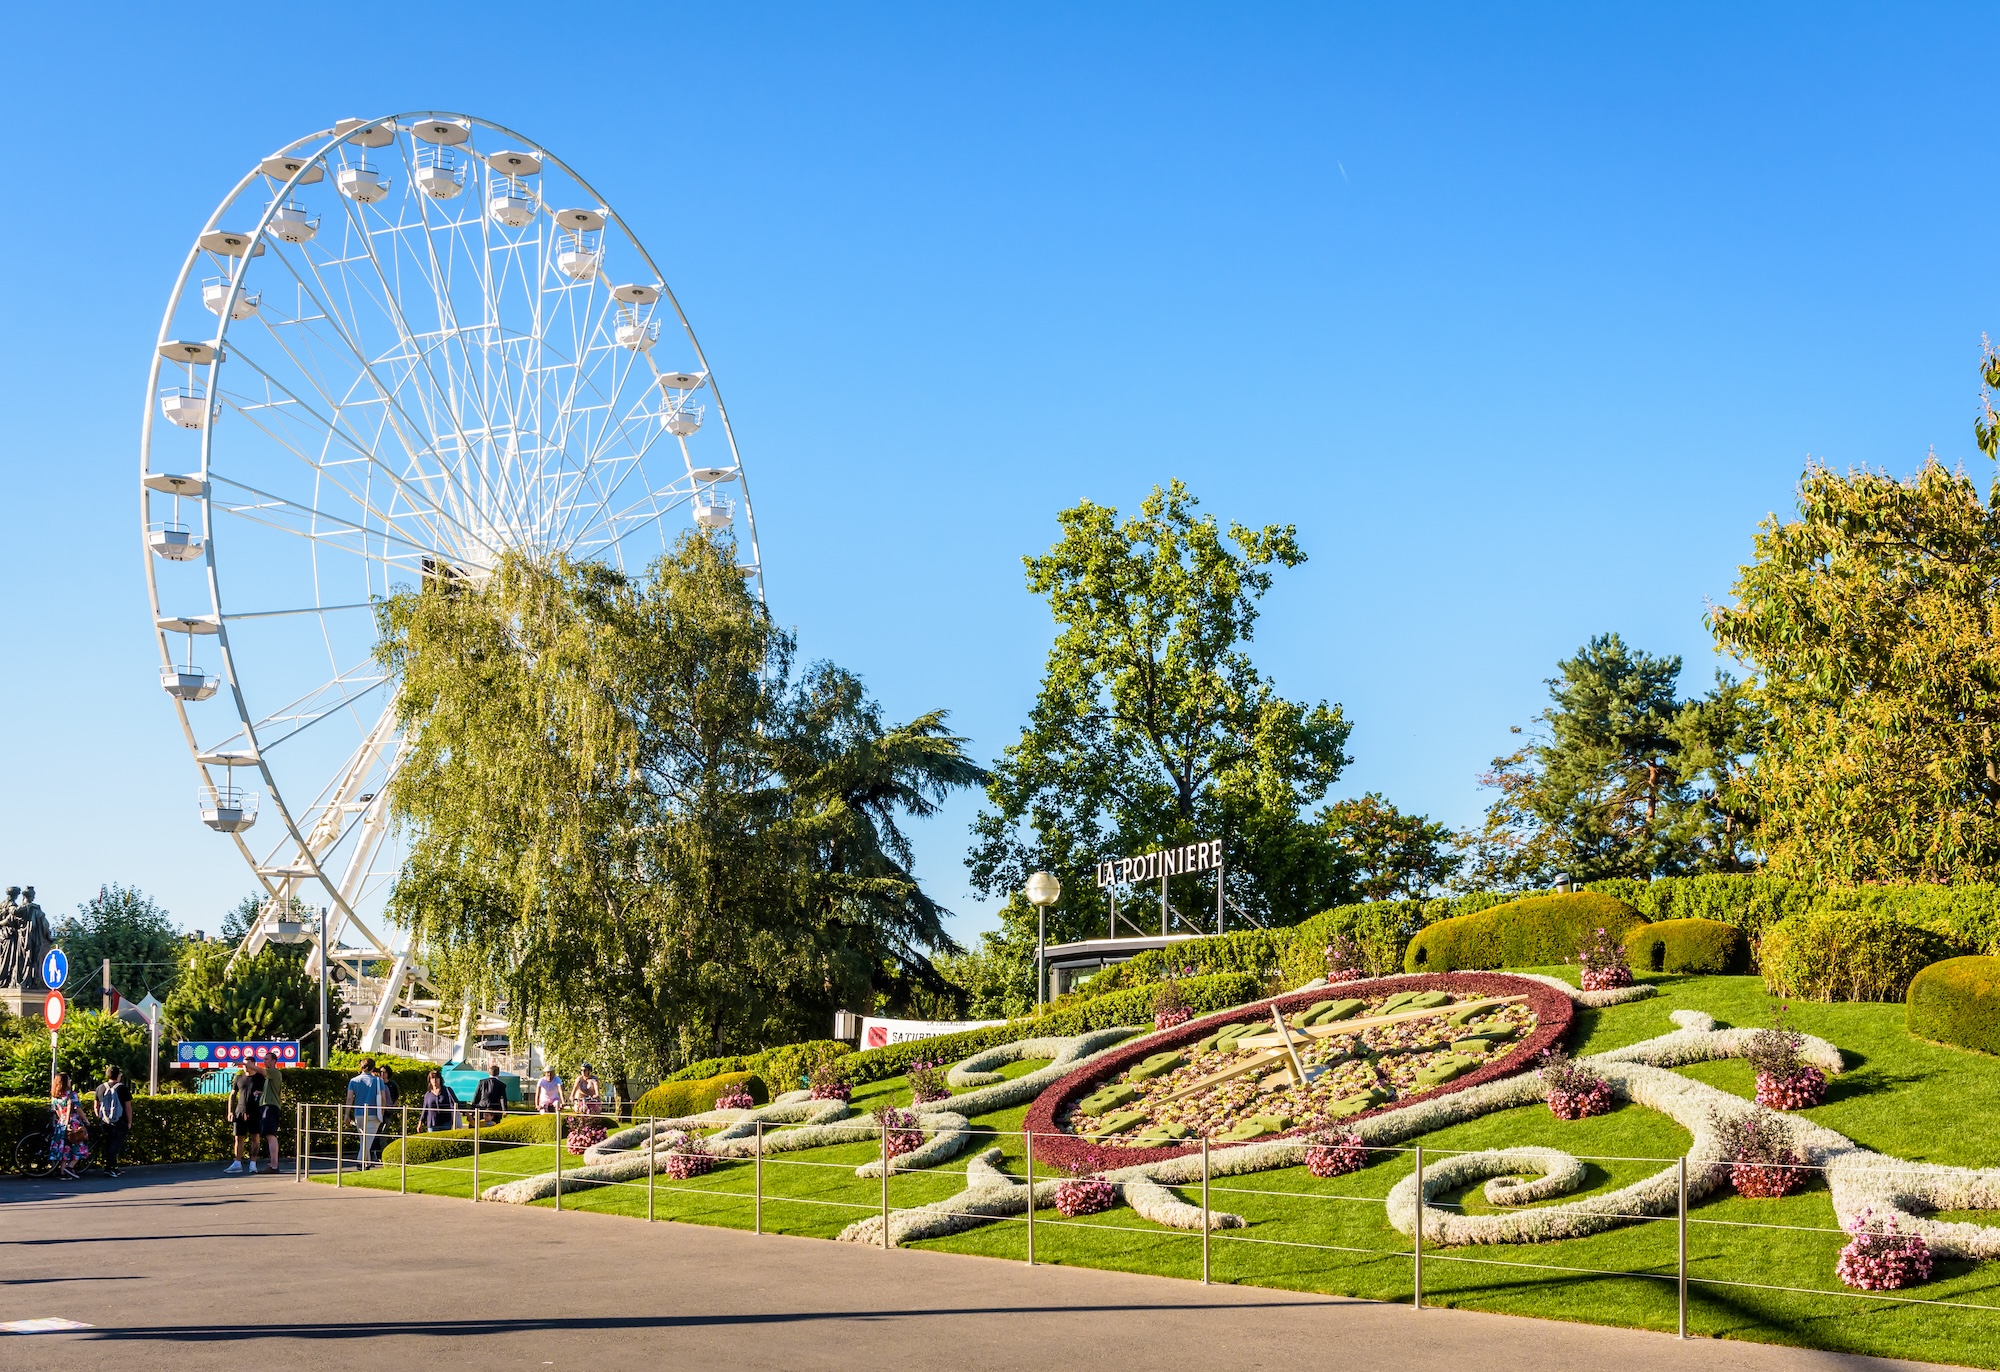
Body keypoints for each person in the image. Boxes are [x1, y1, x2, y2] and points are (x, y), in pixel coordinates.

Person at [93, 1066, 132, 1178]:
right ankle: (110, 1168)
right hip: (120, 1121)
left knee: (108, 1144)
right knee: (115, 1145)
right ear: (118, 1075)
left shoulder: (100, 1088)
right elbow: (128, 1107)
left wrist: (100, 1117)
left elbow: (96, 1106)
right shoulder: (122, 1089)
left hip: (105, 1122)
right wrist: (129, 1122)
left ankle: (112, 1167)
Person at [48, 1072, 88, 1181]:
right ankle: (70, 1167)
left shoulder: (55, 1097)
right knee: (79, 1144)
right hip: (73, 1123)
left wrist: (63, 1120)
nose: (70, 1081)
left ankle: (62, 1172)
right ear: (65, 1082)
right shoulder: (72, 1095)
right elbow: (78, 1109)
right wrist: (86, 1119)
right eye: (69, 1079)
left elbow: (57, 1111)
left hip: (61, 1124)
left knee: (64, 1147)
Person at [226, 1064, 265, 1173]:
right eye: (243, 1065)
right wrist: (230, 1111)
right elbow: (232, 1094)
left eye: (247, 1065)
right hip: (240, 1111)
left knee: (255, 1138)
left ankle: (253, 1164)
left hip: (255, 1112)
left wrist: (260, 1093)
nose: (245, 1067)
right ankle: (237, 1163)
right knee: (238, 1138)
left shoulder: (260, 1078)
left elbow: (267, 1092)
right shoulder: (239, 1078)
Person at [344, 1058, 382, 1169]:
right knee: (367, 1140)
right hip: (373, 1113)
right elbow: (383, 1097)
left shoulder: (354, 1081)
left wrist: (346, 1114)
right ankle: (360, 1162)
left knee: (363, 1139)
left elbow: (349, 1098)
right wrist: (382, 1111)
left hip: (359, 1113)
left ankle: (367, 1163)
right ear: (373, 1068)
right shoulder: (378, 1081)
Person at [258, 1059, 284, 1173]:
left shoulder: (273, 1072)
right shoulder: (270, 1076)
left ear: (273, 1061)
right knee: (269, 1134)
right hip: (268, 1106)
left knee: (270, 1134)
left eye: (267, 1059)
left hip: (271, 1107)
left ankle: (274, 1165)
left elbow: (259, 1070)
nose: (264, 1061)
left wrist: (244, 1063)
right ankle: (273, 1163)